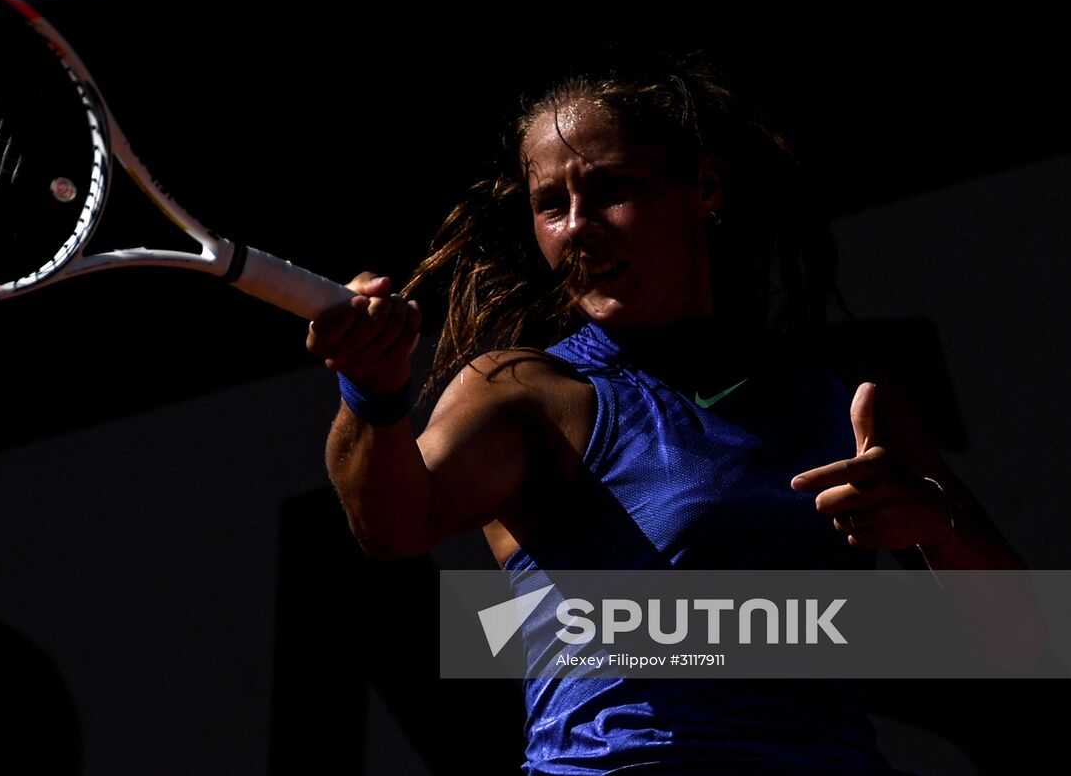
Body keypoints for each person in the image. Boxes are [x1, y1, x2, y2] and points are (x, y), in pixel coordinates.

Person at [305, 55, 1029, 774]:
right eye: (551, 205)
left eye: (612, 188)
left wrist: (933, 523)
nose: (578, 227)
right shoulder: (522, 392)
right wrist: (370, 393)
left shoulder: (840, 389)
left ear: (705, 187)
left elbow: (1024, 635)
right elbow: (392, 526)